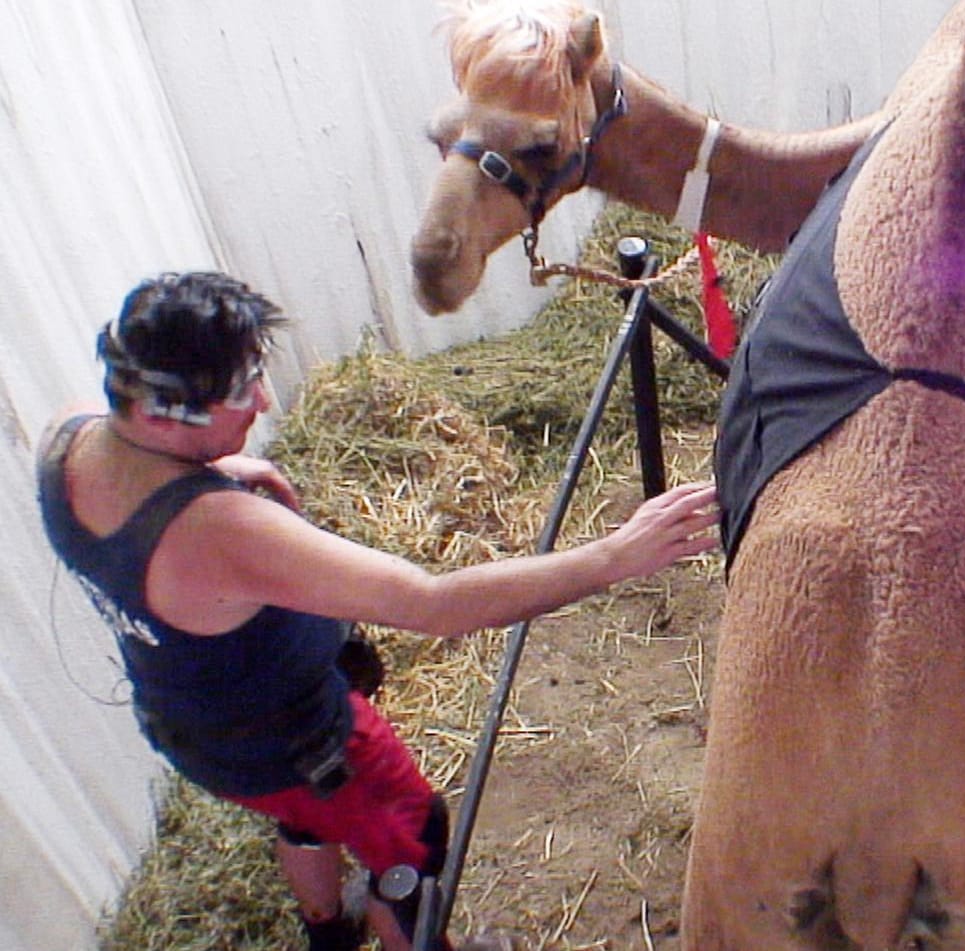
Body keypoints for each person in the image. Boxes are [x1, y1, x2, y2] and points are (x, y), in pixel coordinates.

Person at [36, 271, 719, 951]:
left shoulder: (67, 442)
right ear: (163, 413)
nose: (264, 400)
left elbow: (139, 488)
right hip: (309, 741)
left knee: (303, 819)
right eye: (241, 391)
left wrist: (210, 467)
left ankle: (328, 932)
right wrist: (615, 555)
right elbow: (432, 604)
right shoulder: (215, 530)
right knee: (413, 841)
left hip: (197, 728)